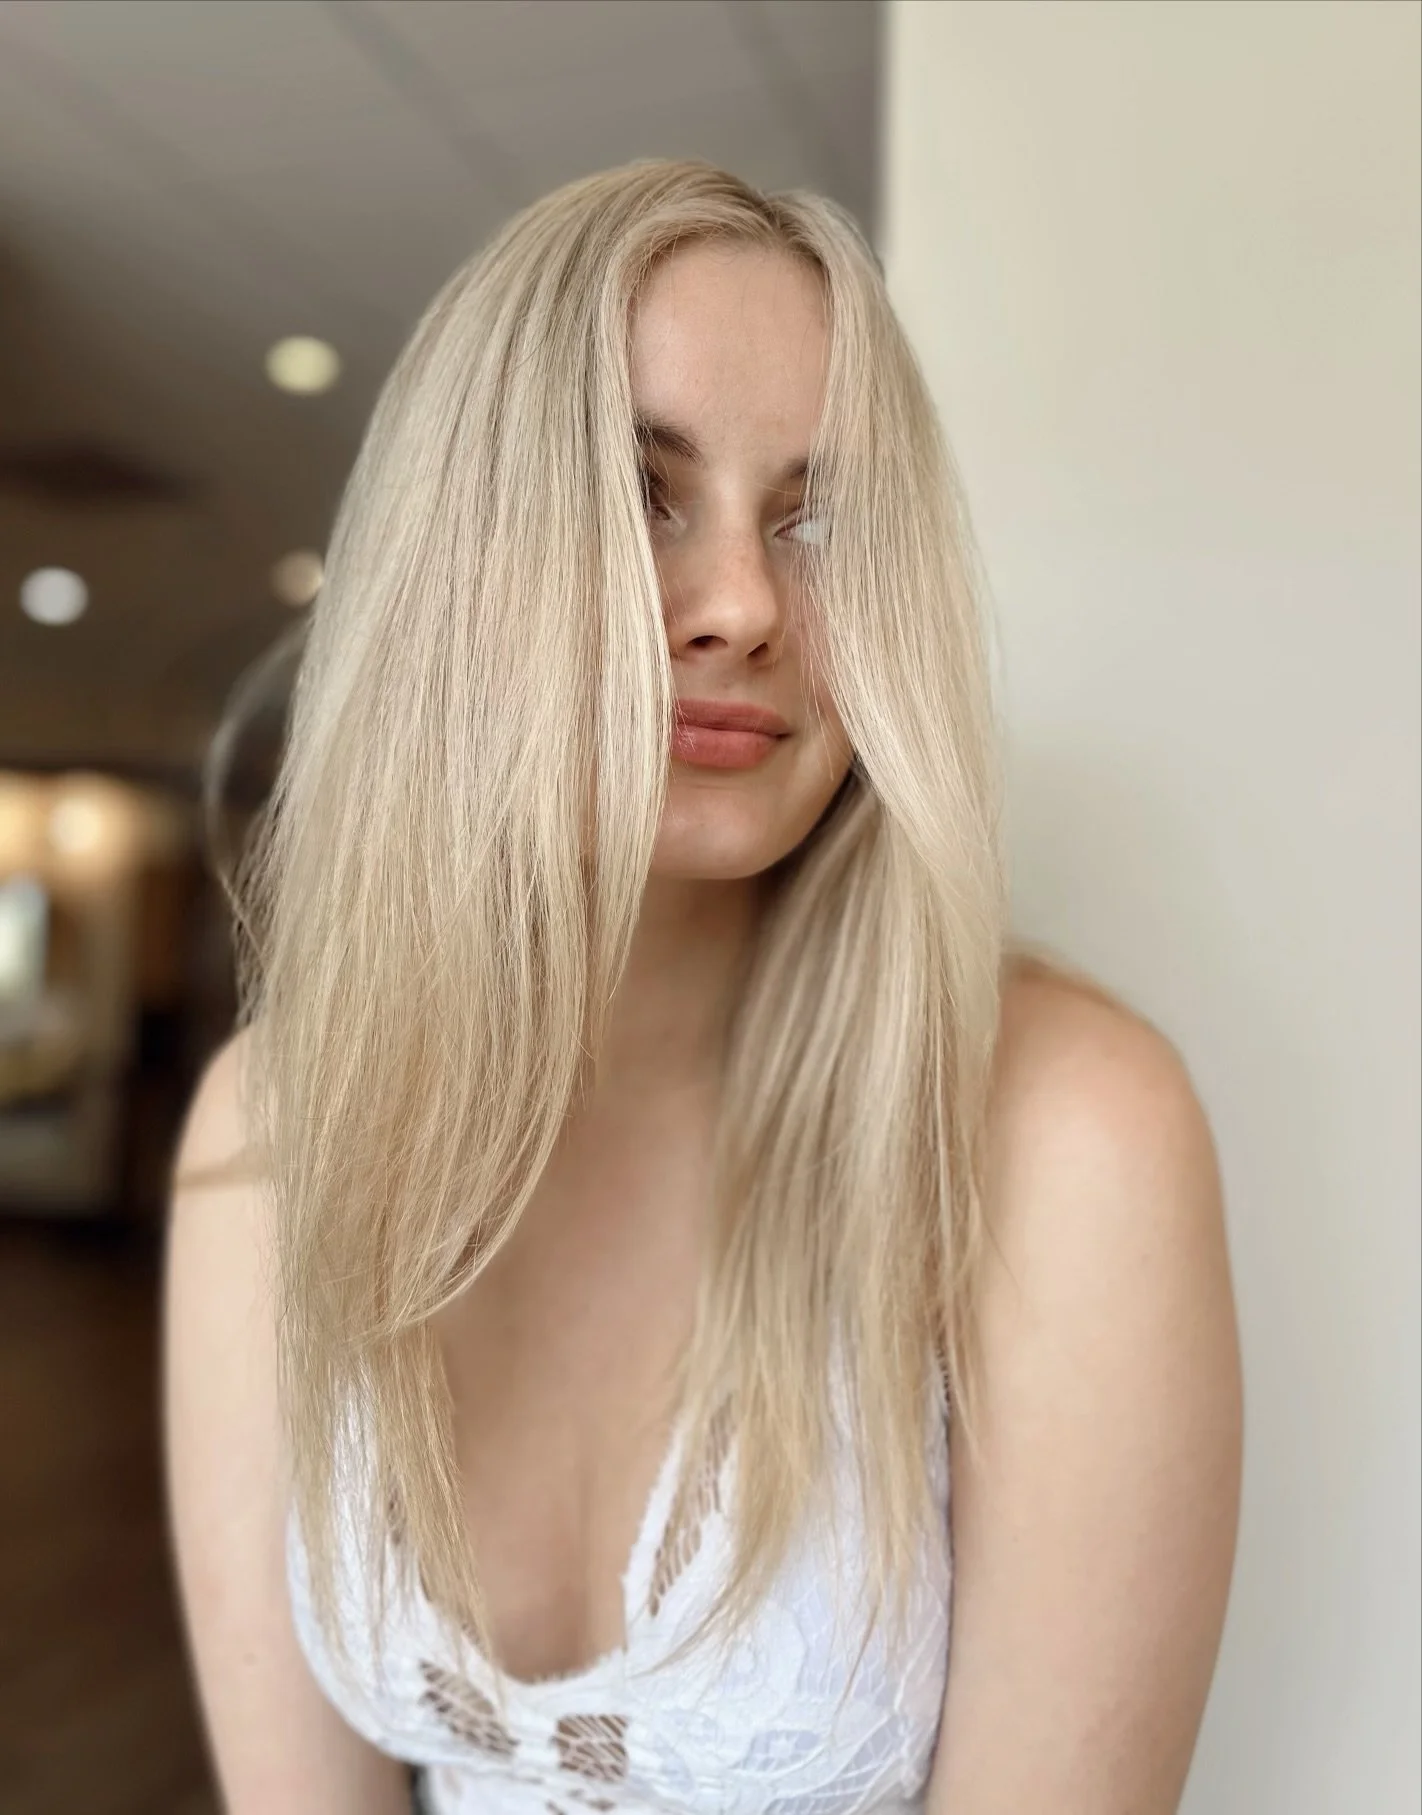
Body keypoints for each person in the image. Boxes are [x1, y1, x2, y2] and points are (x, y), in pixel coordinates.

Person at [163, 159, 1242, 1815]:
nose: (742, 604)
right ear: (457, 558)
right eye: (638, 493)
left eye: (817, 520)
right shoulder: (278, 1130)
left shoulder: (1067, 1134)